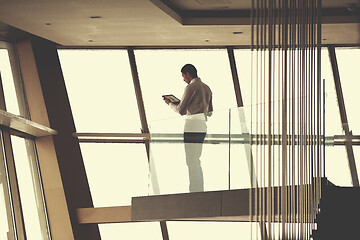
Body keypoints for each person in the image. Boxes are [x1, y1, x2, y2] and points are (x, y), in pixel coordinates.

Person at [164, 64, 213, 192]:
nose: (183, 79)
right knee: (196, 159)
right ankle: (199, 188)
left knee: (191, 159)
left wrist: (170, 104)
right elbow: (210, 112)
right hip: (202, 126)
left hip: (192, 126)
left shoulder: (190, 87)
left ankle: (195, 190)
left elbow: (181, 110)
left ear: (188, 74)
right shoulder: (207, 88)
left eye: (183, 76)